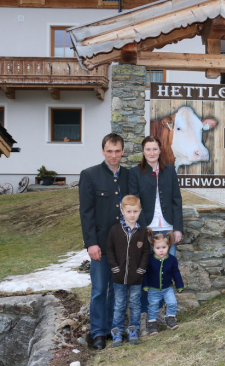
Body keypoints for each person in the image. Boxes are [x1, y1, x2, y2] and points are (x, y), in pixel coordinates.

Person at [79, 133, 129, 350]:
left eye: (117, 151)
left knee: (118, 289)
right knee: (99, 289)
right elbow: (86, 212)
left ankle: (113, 328)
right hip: (100, 243)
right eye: (109, 151)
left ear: (123, 151)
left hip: (123, 243)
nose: (114, 155)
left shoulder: (129, 176)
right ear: (103, 151)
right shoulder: (90, 175)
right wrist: (91, 243)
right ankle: (98, 332)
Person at [129, 135, 183, 334]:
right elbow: (135, 203)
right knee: (148, 272)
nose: (152, 153)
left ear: (160, 150)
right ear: (143, 152)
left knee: (166, 272)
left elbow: (177, 200)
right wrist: (141, 231)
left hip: (168, 228)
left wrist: (178, 228)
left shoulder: (170, 171)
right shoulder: (135, 173)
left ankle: (164, 315)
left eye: (155, 149)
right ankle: (147, 317)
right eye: (148, 149)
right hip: (148, 229)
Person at [106, 195, 150, 347]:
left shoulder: (143, 231)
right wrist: (114, 267)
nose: (132, 215)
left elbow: (145, 252)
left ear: (140, 211)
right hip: (118, 277)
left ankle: (133, 330)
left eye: (135, 211)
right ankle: (117, 332)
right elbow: (109, 250)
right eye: (129, 211)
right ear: (122, 211)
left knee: (135, 304)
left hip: (136, 277)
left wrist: (141, 269)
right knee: (119, 304)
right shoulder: (115, 230)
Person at [143, 231, 184, 334]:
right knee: (153, 305)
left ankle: (170, 318)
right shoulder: (150, 260)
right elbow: (146, 273)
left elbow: (176, 273)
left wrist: (179, 285)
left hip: (167, 288)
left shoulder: (172, 259)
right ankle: (152, 323)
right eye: (158, 248)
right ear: (153, 248)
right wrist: (145, 285)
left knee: (172, 302)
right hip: (153, 289)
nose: (161, 250)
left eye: (163, 247)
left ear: (168, 247)